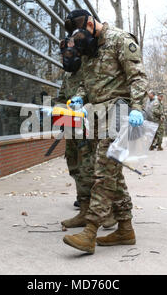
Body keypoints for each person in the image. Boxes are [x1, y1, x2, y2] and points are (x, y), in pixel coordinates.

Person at [61, 9, 149, 254]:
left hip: (121, 114)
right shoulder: (88, 48)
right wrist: (78, 97)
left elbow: (138, 78)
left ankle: (90, 231)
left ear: (91, 23)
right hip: (99, 117)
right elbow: (85, 83)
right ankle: (125, 229)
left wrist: (138, 108)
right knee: (114, 176)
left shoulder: (120, 40)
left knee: (102, 171)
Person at [44, 38, 116, 229]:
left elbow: (101, 98)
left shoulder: (89, 70)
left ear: (77, 53)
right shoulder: (68, 77)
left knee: (94, 170)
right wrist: (56, 109)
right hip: (72, 129)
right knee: (76, 169)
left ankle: (106, 212)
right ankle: (84, 210)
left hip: (91, 130)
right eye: (63, 55)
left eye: (68, 54)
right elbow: (61, 98)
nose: (65, 59)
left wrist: (85, 107)